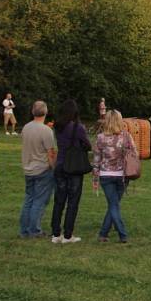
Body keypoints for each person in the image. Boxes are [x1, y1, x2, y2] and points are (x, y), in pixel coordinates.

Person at [92, 109, 137, 243]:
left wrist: (95, 176)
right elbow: (135, 153)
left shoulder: (100, 138)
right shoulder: (126, 136)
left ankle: (103, 234)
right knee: (114, 204)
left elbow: (96, 158)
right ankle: (122, 234)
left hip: (105, 174)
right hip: (122, 175)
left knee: (113, 204)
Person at [50, 99, 91, 244]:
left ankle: (55, 233)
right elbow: (87, 144)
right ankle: (68, 234)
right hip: (73, 166)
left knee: (59, 200)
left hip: (60, 165)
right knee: (73, 202)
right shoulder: (77, 128)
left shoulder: (58, 126)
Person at [19, 101, 56, 238]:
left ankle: (24, 229)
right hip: (42, 169)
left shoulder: (26, 127)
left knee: (29, 199)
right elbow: (50, 152)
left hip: (28, 168)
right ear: (45, 112)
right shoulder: (46, 131)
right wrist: (54, 167)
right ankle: (34, 230)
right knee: (39, 201)